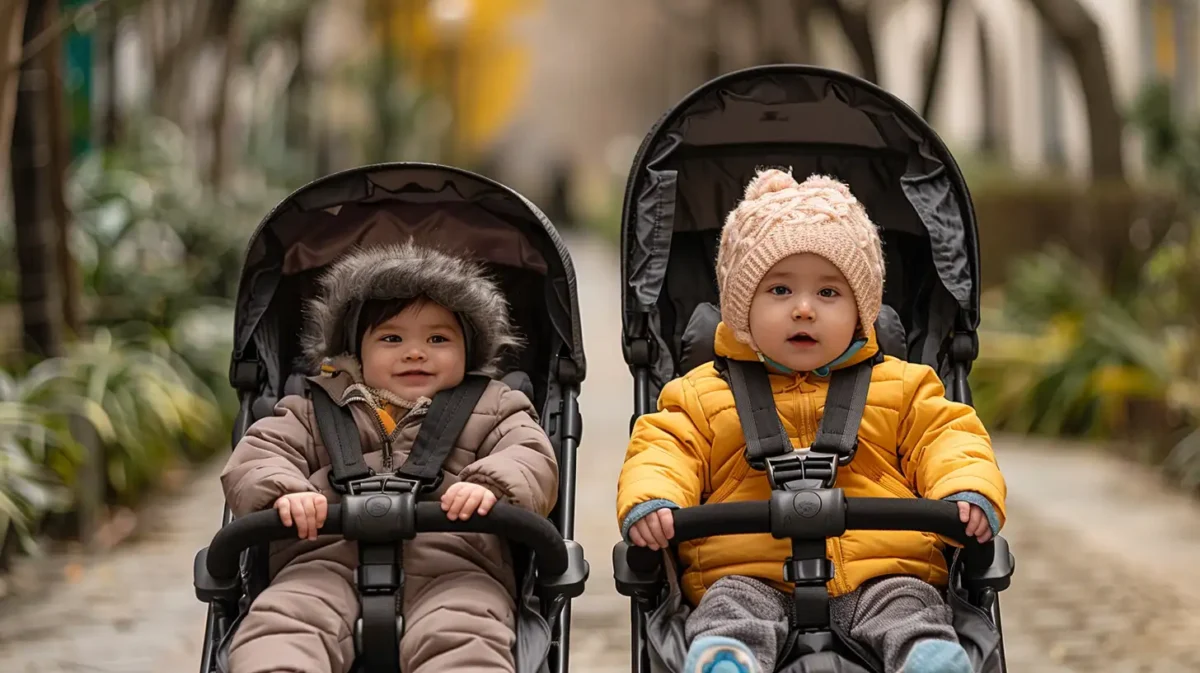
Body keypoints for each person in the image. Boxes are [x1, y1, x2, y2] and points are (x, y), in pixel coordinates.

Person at [616, 169, 1006, 673]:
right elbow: (663, 448)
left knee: (913, 613)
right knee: (726, 613)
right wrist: (654, 500)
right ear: (741, 307)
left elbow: (949, 438)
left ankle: (929, 662)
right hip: (746, 571)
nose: (804, 310)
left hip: (883, 573)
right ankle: (726, 661)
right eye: (779, 290)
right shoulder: (697, 395)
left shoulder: (907, 388)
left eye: (828, 293)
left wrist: (966, 489)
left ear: (862, 310)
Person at [221, 241, 559, 673]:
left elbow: (531, 454)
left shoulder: (496, 406)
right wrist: (284, 493)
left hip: (454, 566)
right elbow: (260, 453)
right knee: (284, 624)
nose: (415, 351)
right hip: (321, 562)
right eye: (391, 338)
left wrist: (490, 484)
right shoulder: (312, 408)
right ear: (354, 349)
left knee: (464, 634)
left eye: (438, 338)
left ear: (469, 348)